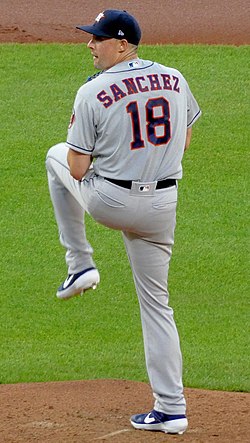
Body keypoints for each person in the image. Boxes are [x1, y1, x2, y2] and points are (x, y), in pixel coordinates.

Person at [45, 9, 201, 435]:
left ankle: (80, 263)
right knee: (157, 305)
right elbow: (183, 137)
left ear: (121, 44)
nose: (89, 45)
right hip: (162, 206)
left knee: (55, 156)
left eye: (97, 39)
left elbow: (77, 169)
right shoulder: (174, 77)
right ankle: (172, 410)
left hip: (110, 201)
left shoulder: (92, 92)